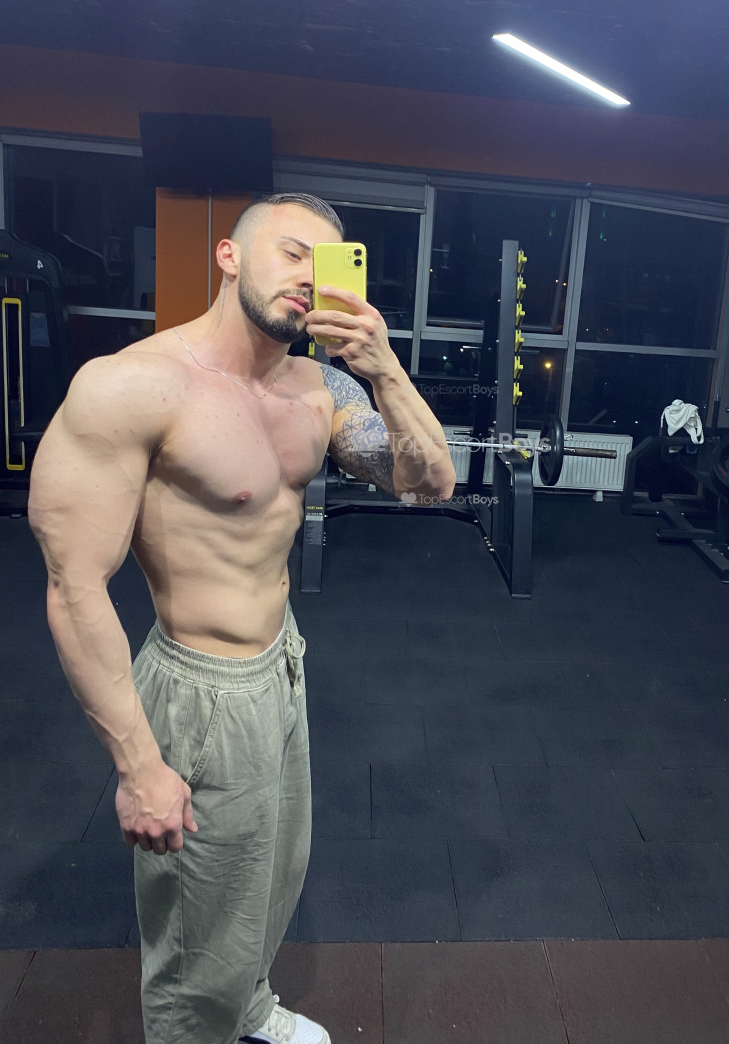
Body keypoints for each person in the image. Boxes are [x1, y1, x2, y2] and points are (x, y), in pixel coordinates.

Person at [28, 192, 457, 1044]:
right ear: (228, 256)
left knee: (272, 874)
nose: (307, 278)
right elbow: (74, 587)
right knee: (199, 928)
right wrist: (139, 769)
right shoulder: (133, 386)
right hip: (201, 688)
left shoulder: (321, 387)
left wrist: (385, 369)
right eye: (291, 252)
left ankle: (250, 1007)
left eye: (323, 264)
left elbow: (428, 482)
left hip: (282, 664)